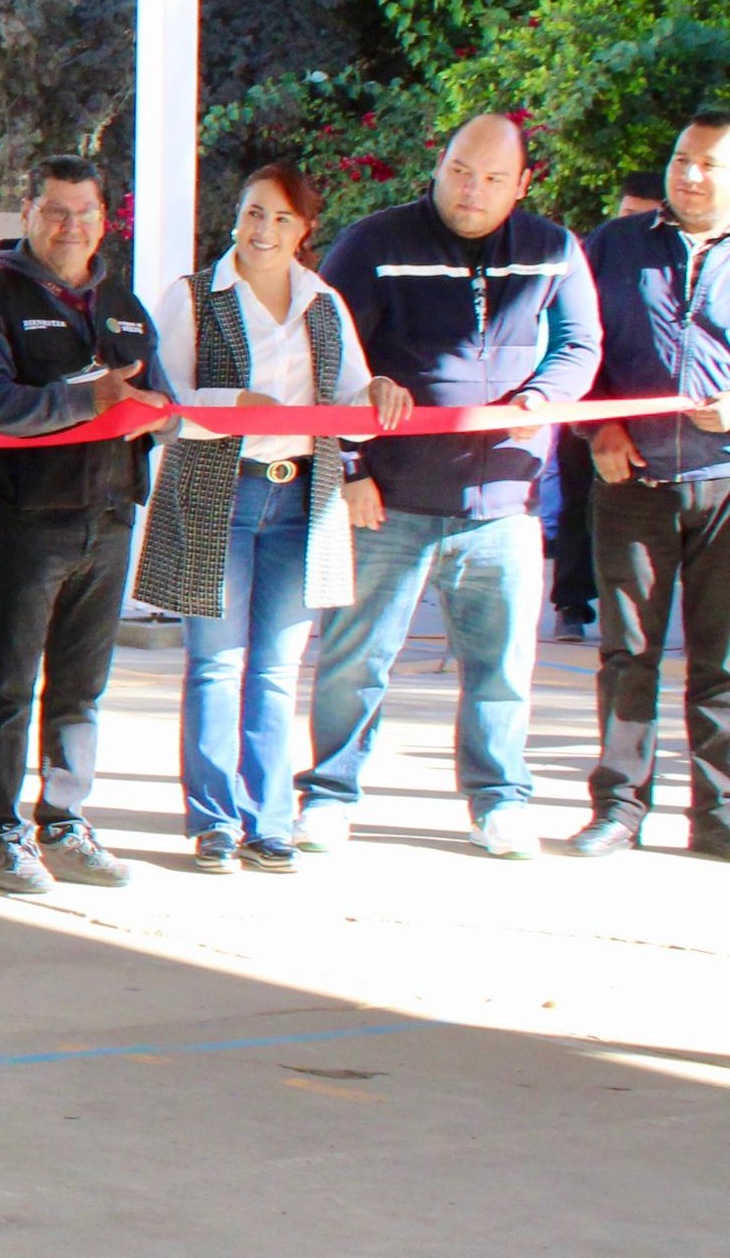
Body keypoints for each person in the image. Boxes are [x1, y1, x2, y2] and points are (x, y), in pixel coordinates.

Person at [299, 114, 600, 859]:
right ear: (439, 163)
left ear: (523, 184)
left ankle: (499, 801)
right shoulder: (375, 242)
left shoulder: (554, 250)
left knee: (501, 669)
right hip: (389, 502)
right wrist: (352, 469)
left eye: (495, 178)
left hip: (505, 503)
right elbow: (328, 354)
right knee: (354, 659)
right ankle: (330, 796)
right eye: (462, 170)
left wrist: (544, 398)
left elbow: (579, 344)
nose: (473, 190)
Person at [138, 164, 403, 874]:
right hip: (217, 492)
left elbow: (352, 411)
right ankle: (215, 822)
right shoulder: (194, 296)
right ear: (237, 216)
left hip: (302, 498)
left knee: (278, 668)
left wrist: (377, 393)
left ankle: (270, 821)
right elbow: (163, 405)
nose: (264, 231)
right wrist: (233, 406)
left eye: (282, 219)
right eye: (255, 213)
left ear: (305, 230)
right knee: (216, 664)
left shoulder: (323, 302)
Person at [0, 156, 172, 898]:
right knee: (8, 683)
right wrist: (90, 400)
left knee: (82, 689)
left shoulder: (127, 307)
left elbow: (160, 405)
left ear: (106, 218)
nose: (71, 227)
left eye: (85, 212)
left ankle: (65, 823)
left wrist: (164, 417)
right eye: (55, 211)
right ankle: (4, 832)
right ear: (28, 213)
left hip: (109, 521)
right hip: (26, 523)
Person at [573, 115, 730, 859]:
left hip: (724, 483)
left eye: (707, 163)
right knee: (628, 652)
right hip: (630, 477)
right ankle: (620, 807)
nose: (690, 174)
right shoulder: (616, 244)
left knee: (722, 659)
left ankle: (719, 813)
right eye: (681, 159)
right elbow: (575, 346)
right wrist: (596, 428)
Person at [558, 166, 671, 645]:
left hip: (678, 449)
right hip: (594, 415)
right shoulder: (604, 247)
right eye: (628, 214)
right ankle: (570, 601)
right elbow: (574, 335)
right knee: (578, 504)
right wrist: (599, 418)